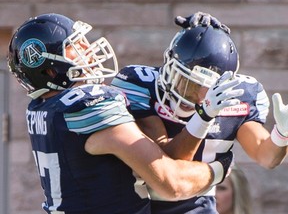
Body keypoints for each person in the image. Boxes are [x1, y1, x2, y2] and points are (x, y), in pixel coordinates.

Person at [7, 13, 242, 214]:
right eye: (75, 46)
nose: (87, 50)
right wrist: (218, 169)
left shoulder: (42, 108)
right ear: (50, 70)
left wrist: (199, 38)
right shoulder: (90, 105)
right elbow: (171, 184)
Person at [110, 12, 288, 213]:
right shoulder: (138, 84)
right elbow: (168, 164)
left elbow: (266, 156)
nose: (190, 95)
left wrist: (282, 134)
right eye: (184, 81)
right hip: (137, 204)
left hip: (197, 207)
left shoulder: (238, 95)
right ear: (169, 65)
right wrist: (204, 116)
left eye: (202, 87)